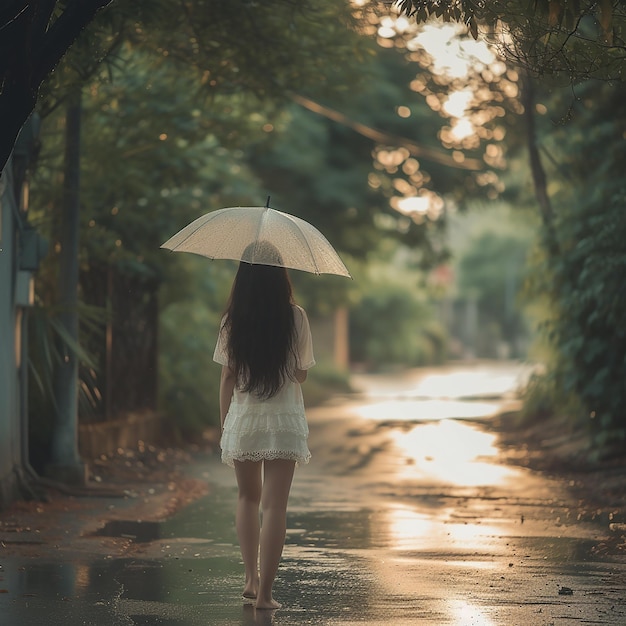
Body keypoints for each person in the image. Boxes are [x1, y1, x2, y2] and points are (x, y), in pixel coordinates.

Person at [213, 252, 315, 610]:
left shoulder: (233, 321)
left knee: (247, 498)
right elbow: (301, 373)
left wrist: (226, 423)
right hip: (284, 421)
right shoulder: (295, 317)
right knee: (275, 506)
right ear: (280, 277)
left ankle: (250, 579)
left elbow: (227, 375)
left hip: (245, 419)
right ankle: (267, 596)